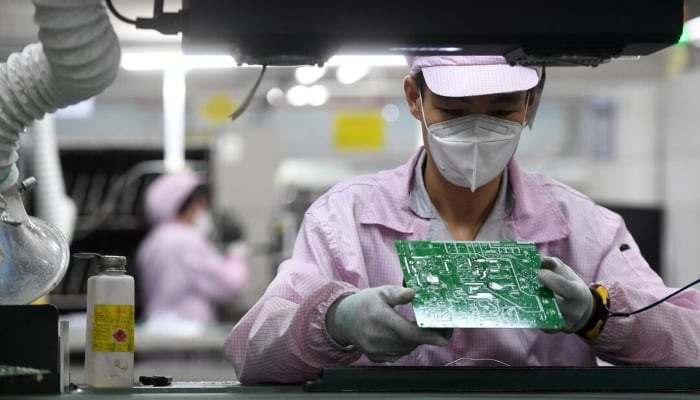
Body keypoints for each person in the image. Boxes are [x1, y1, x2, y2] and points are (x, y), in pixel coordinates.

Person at [223, 56, 700, 384]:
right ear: (414, 98)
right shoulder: (343, 219)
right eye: (452, 112)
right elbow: (250, 350)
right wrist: (334, 321)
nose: (476, 133)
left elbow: (691, 345)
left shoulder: (586, 228)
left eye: (501, 111)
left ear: (530, 103)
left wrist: (598, 314)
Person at [136, 171, 248, 328]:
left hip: (159, 333)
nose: (202, 209)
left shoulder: (153, 240)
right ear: (181, 204)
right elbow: (231, 285)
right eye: (198, 203)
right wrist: (235, 252)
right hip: (184, 338)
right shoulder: (185, 240)